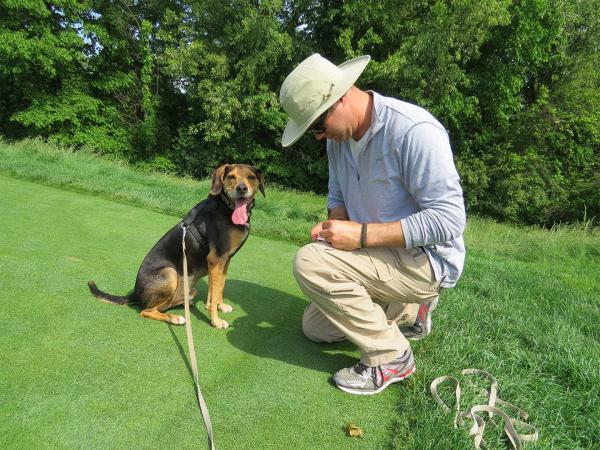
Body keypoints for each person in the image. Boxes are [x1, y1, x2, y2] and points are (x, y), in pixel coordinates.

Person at [278, 54, 466, 395]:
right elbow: (337, 196)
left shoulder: (414, 130)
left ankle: (392, 357)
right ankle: (409, 312)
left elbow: (450, 219)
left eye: (318, 126)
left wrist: (360, 235)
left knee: (308, 261)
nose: (318, 137)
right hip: (378, 255)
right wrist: (336, 229)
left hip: (425, 262)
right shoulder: (339, 141)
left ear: (342, 98)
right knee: (316, 328)